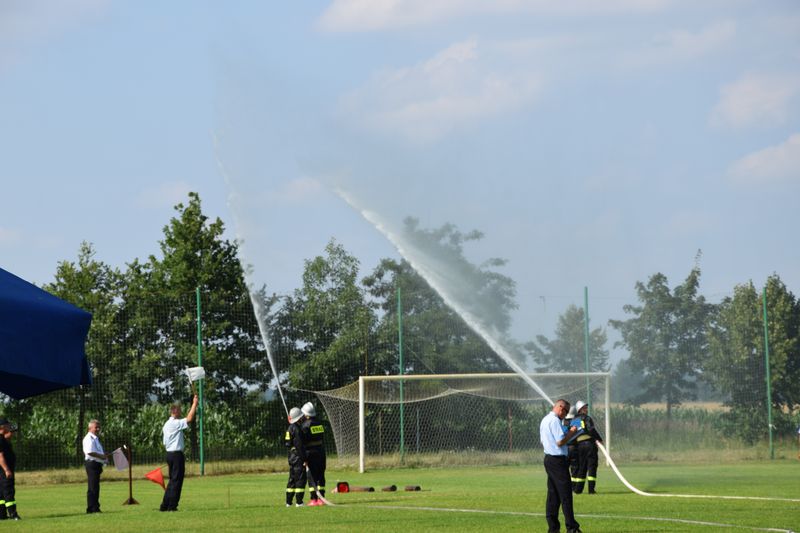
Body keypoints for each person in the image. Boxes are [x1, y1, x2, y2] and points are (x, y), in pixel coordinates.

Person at [539, 400, 581, 533]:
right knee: (565, 494)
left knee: (553, 495)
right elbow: (560, 441)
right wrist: (573, 432)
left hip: (549, 459)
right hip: (557, 461)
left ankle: (553, 528)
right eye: (566, 411)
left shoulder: (545, 420)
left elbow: (544, 440)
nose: (566, 414)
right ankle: (572, 528)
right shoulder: (555, 421)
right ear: (560, 408)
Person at [160, 394, 198, 512]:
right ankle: (172, 506)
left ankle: (165, 505)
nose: (181, 412)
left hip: (169, 454)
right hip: (176, 455)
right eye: (180, 410)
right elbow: (189, 418)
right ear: (175, 411)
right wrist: (195, 403)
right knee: (177, 481)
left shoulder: (166, 424)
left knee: (172, 480)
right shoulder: (175, 423)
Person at [572, 400, 603, 495]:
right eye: (585, 408)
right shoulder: (587, 418)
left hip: (580, 446)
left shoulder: (574, 420)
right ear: (580, 409)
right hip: (589, 445)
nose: (586, 409)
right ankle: (591, 490)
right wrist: (599, 439)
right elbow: (591, 429)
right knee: (592, 467)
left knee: (582, 467)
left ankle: (578, 490)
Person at [299, 402, 326, 506]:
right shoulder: (320, 423)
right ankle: (322, 498)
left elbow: (302, 441)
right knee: (321, 476)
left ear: (306, 415)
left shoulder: (305, 426)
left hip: (311, 453)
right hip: (321, 452)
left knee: (312, 476)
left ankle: (314, 499)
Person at [83, 419, 111, 514]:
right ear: (90, 428)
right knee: (93, 487)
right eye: (96, 427)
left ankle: (95, 506)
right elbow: (90, 452)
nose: (98, 429)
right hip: (92, 464)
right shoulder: (88, 439)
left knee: (95, 486)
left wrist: (103, 455)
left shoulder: (95, 438)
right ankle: (92, 508)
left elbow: (97, 452)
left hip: (97, 464)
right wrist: (101, 456)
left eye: (99, 427)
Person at [284, 407, 307, 507]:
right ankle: (299, 502)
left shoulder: (289, 428)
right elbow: (300, 446)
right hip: (298, 457)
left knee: (292, 480)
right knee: (300, 480)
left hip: (291, 456)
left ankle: (288, 502)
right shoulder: (297, 429)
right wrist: (305, 459)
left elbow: (287, 443)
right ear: (299, 418)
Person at [0, 419, 20, 521]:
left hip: (2, 472)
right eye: (8, 426)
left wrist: (12, 433)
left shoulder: (2, 439)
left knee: (2, 493)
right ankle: (13, 514)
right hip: (4, 471)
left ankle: (2, 514)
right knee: (8, 491)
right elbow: (0, 456)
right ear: (2, 427)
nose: (9, 427)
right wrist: (7, 470)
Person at [564, 406, 580, 492]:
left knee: (565, 468)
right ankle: (574, 488)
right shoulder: (577, 421)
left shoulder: (564, 421)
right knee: (575, 468)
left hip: (565, 448)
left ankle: (565, 487)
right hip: (574, 448)